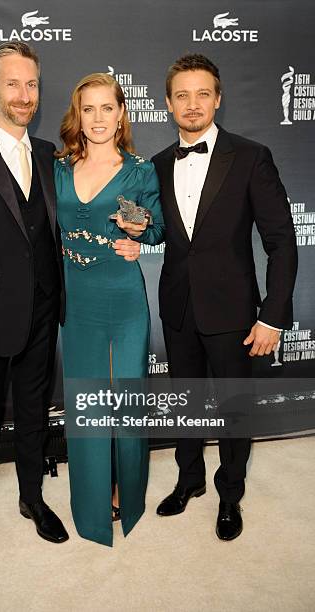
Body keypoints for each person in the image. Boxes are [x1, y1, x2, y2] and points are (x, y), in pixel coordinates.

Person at [0, 42, 138, 563]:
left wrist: (137, 233)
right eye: (12, 84)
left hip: (46, 316)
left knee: (34, 417)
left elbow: (89, 213)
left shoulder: (52, 156)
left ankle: (32, 499)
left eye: (31, 85)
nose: (24, 95)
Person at [152, 54, 297, 540]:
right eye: (182, 95)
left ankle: (229, 494)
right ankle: (188, 478)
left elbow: (281, 241)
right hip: (178, 306)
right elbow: (161, 233)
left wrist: (273, 315)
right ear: (168, 103)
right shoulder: (155, 165)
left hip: (235, 310)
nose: (192, 105)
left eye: (202, 94)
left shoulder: (251, 156)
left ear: (218, 99)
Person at [54, 73, 165, 546]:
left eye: (107, 108)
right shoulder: (56, 167)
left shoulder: (140, 170)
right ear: (77, 115)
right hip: (75, 301)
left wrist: (140, 239)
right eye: (88, 109)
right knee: (87, 404)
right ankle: (92, 504)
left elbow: (160, 228)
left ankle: (129, 493)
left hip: (122, 298)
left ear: (122, 113)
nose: (98, 118)